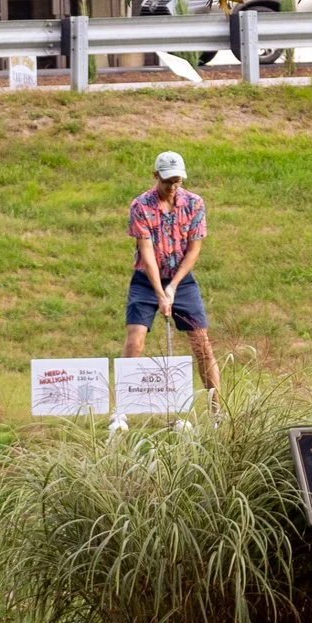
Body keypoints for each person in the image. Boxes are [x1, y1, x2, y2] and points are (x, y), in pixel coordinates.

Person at [116, 149, 219, 426]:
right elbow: (146, 253)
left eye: (178, 181)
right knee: (135, 340)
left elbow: (194, 249)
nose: (173, 186)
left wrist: (173, 287)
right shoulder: (141, 206)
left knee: (202, 345)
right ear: (155, 176)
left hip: (182, 281)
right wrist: (160, 293)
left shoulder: (195, 204)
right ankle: (121, 412)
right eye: (168, 181)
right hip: (145, 282)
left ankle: (217, 411)